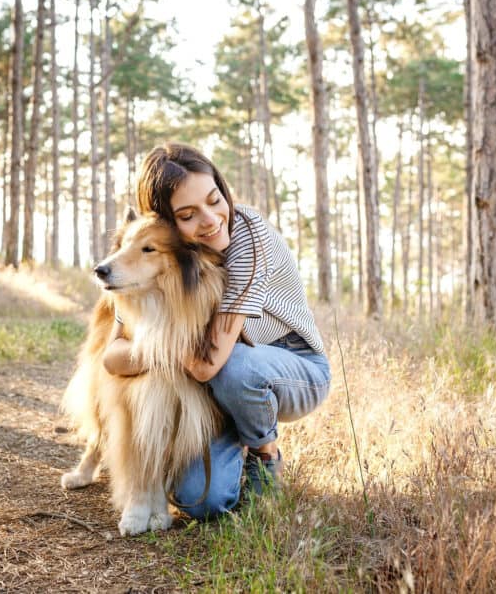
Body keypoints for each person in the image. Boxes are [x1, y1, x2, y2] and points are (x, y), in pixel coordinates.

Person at [102, 142, 332, 520]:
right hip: (218, 393)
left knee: (235, 368)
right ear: (167, 225)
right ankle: (235, 442)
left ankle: (265, 454)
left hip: (292, 366)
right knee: (200, 501)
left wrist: (161, 344)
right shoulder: (164, 267)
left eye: (214, 199)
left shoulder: (249, 235)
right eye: (188, 214)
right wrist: (159, 342)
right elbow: (113, 358)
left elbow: (207, 365)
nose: (210, 220)